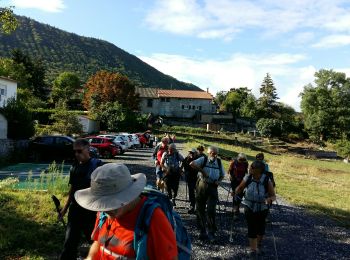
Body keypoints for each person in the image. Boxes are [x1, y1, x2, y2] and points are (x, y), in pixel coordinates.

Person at [74, 163, 178, 259]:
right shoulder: (104, 213)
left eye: (111, 202)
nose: (106, 208)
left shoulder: (154, 218)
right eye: (102, 203)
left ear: (129, 194)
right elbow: (98, 243)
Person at [59, 138, 103, 260]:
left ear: (88, 149)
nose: (77, 154)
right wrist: (64, 209)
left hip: (91, 211)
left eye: (79, 151)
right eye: (75, 151)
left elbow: (104, 190)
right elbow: (72, 190)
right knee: (69, 243)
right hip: (75, 210)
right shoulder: (74, 167)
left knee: (95, 242)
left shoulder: (97, 166)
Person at [235, 160, 276, 258]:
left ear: (258, 170)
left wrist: (269, 199)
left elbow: (273, 196)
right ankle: (253, 250)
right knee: (251, 227)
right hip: (249, 206)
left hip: (262, 208)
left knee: (260, 229)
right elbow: (240, 188)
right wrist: (236, 191)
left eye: (251, 167)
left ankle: (258, 245)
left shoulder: (266, 180)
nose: (249, 169)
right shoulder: (248, 177)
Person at [190, 146, 225, 241]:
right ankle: (202, 231)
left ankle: (211, 232)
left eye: (216, 153)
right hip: (202, 185)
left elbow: (222, 175)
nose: (214, 155)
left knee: (211, 210)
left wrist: (219, 181)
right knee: (200, 209)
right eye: (212, 153)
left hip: (213, 187)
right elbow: (191, 163)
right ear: (209, 153)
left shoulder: (219, 162)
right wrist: (203, 171)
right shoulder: (203, 159)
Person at [228, 153, 249, 219]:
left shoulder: (245, 163)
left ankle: (236, 208)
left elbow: (246, 172)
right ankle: (235, 212)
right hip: (234, 181)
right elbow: (229, 170)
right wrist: (231, 176)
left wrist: (246, 179)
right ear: (238, 158)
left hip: (242, 181)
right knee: (235, 194)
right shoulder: (233, 162)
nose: (242, 161)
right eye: (240, 159)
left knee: (240, 195)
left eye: (243, 160)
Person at [182, 148, 199, 214]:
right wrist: (183, 173)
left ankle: (197, 207)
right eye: (190, 152)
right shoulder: (187, 158)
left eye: (192, 153)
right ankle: (192, 206)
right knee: (191, 192)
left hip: (197, 178)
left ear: (195, 153)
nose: (191, 154)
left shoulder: (199, 159)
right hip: (190, 178)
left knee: (198, 193)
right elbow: (183, 166)